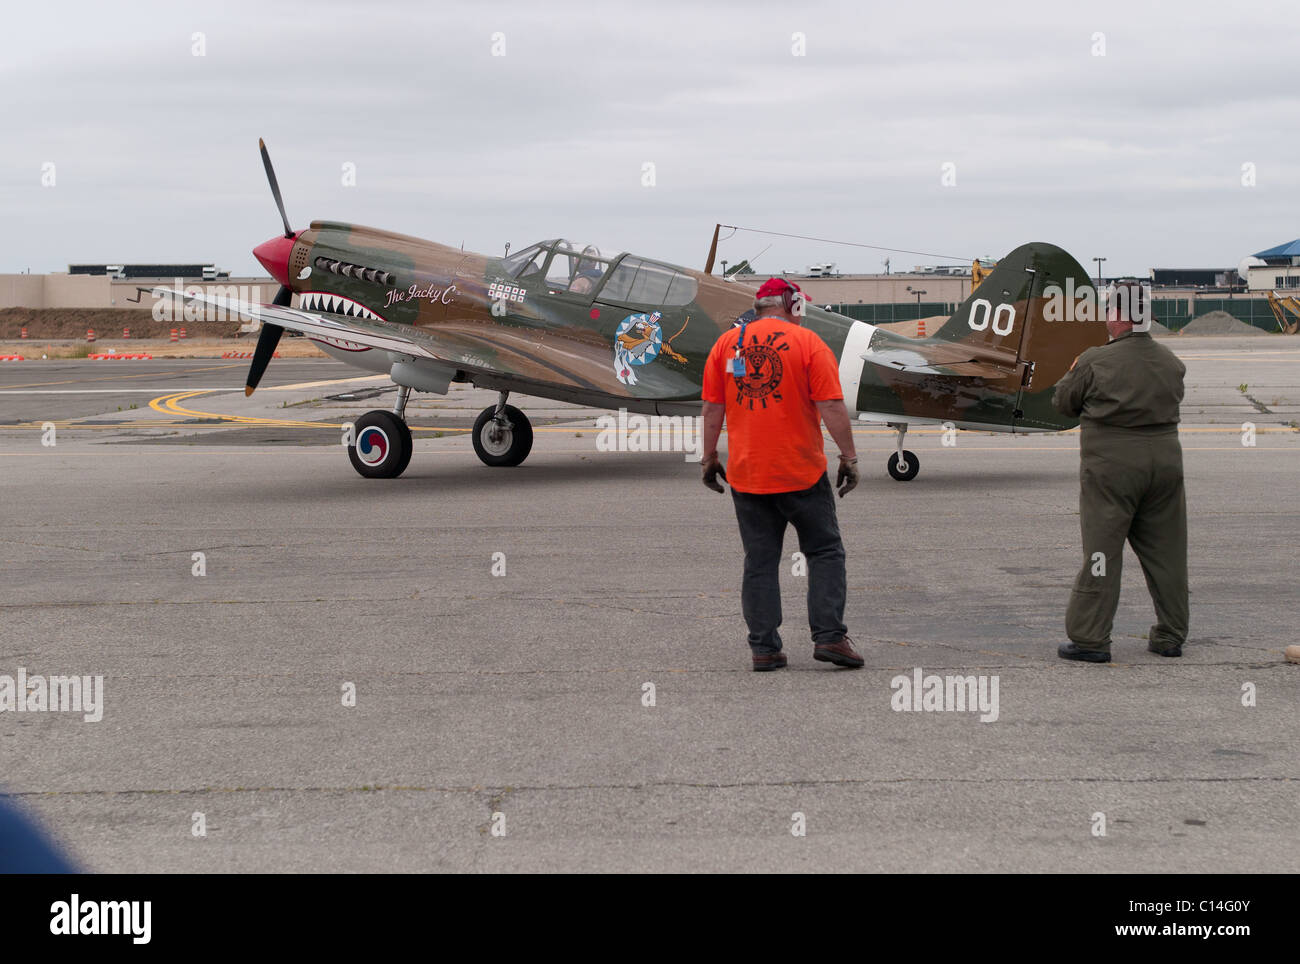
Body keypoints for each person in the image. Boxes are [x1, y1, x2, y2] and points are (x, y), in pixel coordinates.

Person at [699, 277, 863, 671]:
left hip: (748, 474)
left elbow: (711, 410)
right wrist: (849, 457)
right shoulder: (809, 344)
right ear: (794, 306)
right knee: (823, 552)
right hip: (801, 473)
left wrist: (708, 459)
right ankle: (829, 638)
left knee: (760, 560)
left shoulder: (726, 346)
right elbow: (832, 406)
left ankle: (765, 649)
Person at [1052, 281, 1188, 663]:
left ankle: (1091, 639)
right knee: (1168, 552)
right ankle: (1171, 635)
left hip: (1112, 470)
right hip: (1165, 466)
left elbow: (1063, 403)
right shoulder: (1171, 362)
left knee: (1101, 553)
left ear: (1120, 317)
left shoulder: (1095, 360)